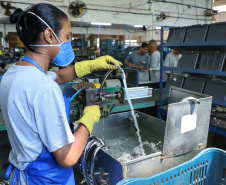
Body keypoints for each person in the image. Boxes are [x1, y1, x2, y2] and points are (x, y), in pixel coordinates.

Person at [0, 3, 122, 185]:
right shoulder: (43, 88)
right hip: (45, 179)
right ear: (49, 35)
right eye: (67, 37)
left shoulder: (13, 73)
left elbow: (56, 76)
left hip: (23, 173)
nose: (68, 43)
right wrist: (88, 120)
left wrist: (91, 65)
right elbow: (68, 157)